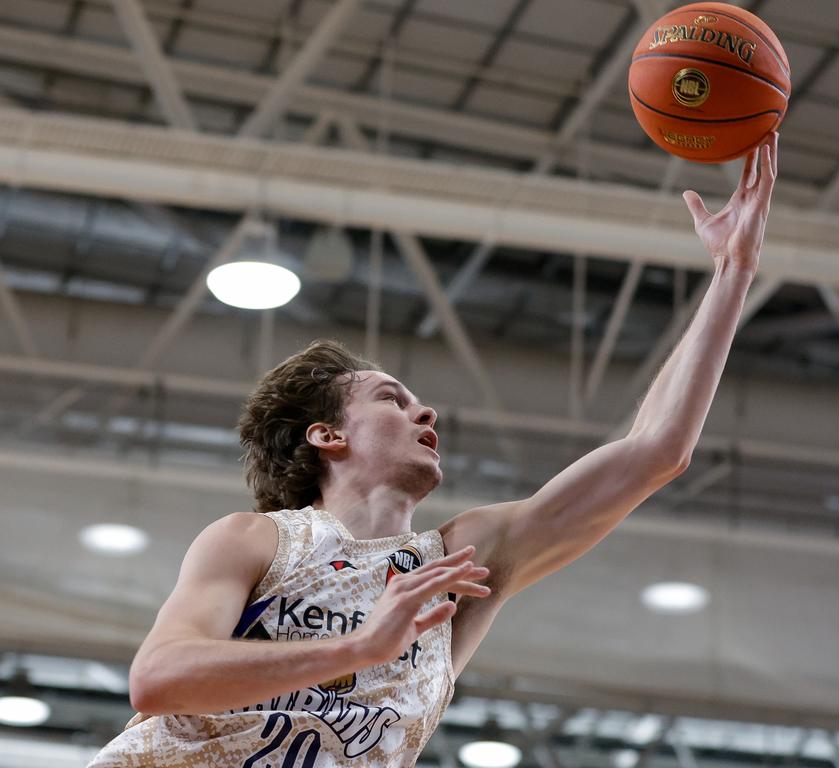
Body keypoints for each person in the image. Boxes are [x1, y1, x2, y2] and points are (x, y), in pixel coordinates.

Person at [88, 132, 778, 767]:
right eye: (391, 398)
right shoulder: (257, 539)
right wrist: (359, 649)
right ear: (327, 436)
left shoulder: (460, 564)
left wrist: (733, 270)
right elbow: (158, 679)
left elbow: (656, 451)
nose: (426, 410)